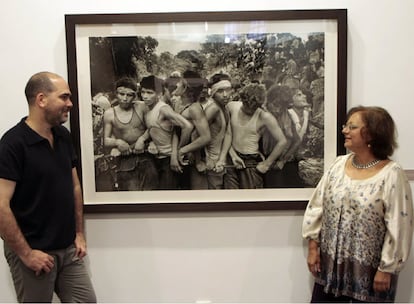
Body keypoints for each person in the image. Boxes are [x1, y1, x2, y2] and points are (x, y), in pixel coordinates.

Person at [0, 72, 96, 302]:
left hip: (68, 250)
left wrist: (79, 233)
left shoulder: (62, 136)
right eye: (64, 97)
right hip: (34, 253)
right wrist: (26, 254)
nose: (70, 104)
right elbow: (0, 204)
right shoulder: (13, 144)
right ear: (41, 99)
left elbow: (74, 186)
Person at [302, 106, 413, 302]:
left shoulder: (391, 174)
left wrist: (386, 269)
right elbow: (317, 206)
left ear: (371, 134)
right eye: (346, 125)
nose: (344, 130)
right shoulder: (337, 166)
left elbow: (399, 225)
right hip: (329, 272)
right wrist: (313, 248)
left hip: (371, 277)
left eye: (352, 126)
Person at [217, 82, 287, 189]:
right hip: (232, 158)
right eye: (246, 106)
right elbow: (227, 134)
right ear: (242, 100)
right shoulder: (232, 107)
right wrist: (230, 156)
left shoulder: (265, 117)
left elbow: (282, 141)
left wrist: (267, 164)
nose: (249, 110)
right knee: (230, 197)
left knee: (250, 198)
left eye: (253, 108)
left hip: (251, 162)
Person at [103, 77, 157, 191]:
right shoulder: (109, 113)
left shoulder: (141, 107)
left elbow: (152, 126)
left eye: (129, 95)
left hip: (146, 156)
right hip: (125, 161)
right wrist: (118, 142)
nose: (125, 98)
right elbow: (105, 140)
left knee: (151, 194)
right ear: (115, 93)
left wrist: (143, 139)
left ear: (135, 96)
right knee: (132, 195)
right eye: (121, 94)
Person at [141, 75, 193, 189]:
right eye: (143, 92)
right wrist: (147, 140)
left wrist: (179, 152)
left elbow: (187, 126)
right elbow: (154, 128)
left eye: (149, 93)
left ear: (159, 94)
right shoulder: (147, 108)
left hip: (169, 160)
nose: (145, 96)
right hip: (156, 159)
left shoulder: (163, 109)